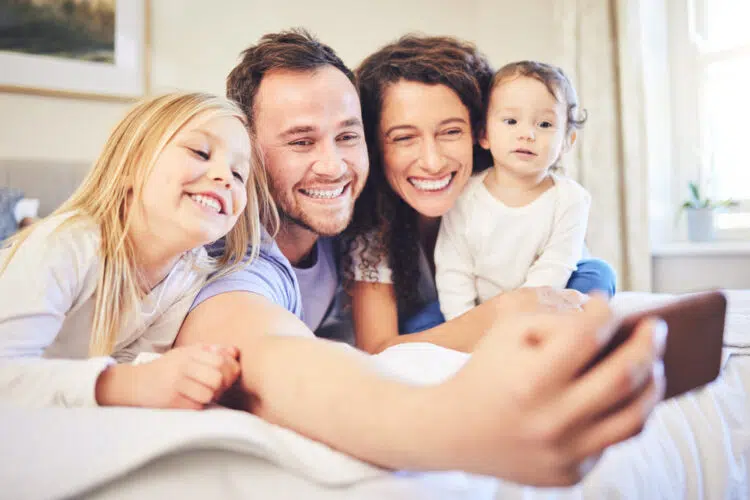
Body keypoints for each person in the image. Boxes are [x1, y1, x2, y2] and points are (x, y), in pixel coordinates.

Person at [175, 29, 665, 486]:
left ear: (482, 133)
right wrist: (459, 427)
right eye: (301, 141)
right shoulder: (275, 250)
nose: (430, 160)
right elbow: (274, 353)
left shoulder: (514, 202)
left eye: (346, 136)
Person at [0, 92, 276, 409]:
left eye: (239, 174)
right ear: (132, 165)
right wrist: (129, 383)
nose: (225, 177)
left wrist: (192, 375)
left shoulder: (188, 277)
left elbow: (139, 369)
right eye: (201, 152)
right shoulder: (66, 245)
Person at [344, 35, 616, 354]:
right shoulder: (375, 235)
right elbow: (378, 348)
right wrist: (495, 319)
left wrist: (523, 311)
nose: (432, 162)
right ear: (375, 147)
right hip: (476, 315)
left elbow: (559, 270)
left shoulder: (550, 197)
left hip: (536, 303)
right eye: (404, 137)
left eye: (451, 132)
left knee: (597, 276)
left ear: (478, 133)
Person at [435, 60, 604, 321]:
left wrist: (519, 316)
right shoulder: (464, 197)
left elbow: (555, 266)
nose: (527, 134)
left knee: (598, 276)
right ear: (484, 134)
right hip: (482, 309)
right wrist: (464, 323)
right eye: (511, 121)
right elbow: (453, 269)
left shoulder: (571, 199)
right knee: (420, 321)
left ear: (566, 142)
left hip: (547, 298)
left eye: (545, 125)